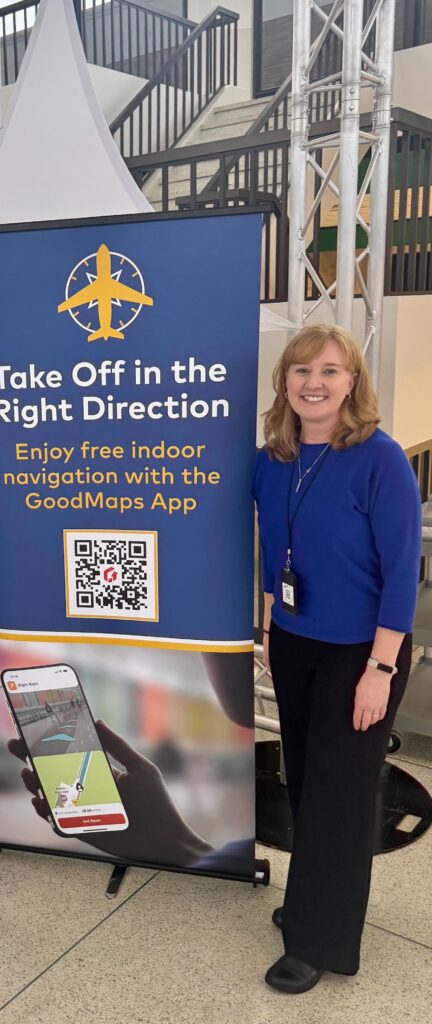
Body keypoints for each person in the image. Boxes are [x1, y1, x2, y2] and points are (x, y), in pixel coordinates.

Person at [254, 324, 420, 992]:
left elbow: (403, 570)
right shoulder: (274, 458)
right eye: (300, 371)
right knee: (306, 781)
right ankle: (311, 905)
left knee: (341, 797)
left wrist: (380, 669)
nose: (313, 383)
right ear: (284, 383)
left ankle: (320, 942)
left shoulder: (379, 458)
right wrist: (270, 625)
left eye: (328, 371)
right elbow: (274, 551)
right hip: (296, 642)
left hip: (362, 653)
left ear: (353, 380)